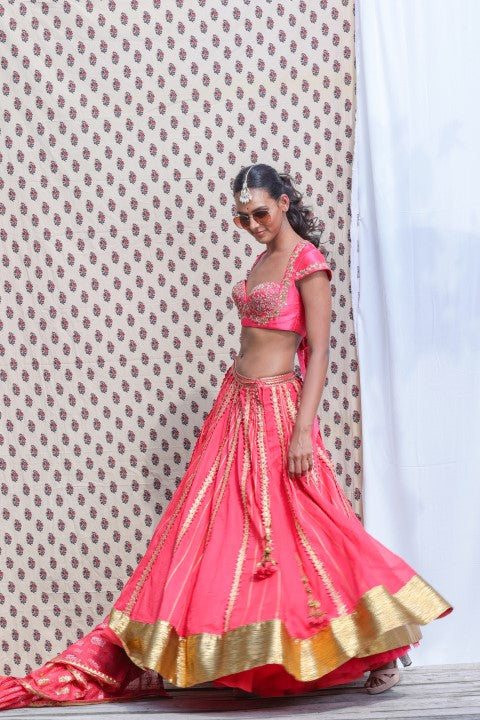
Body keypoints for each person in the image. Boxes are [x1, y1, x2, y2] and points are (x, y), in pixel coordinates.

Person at [0, 164, 451, 709]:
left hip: (278, 407)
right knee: (223, 531)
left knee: (309, 525)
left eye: (260, 212)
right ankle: (214, 651)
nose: (253, 225)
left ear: (284, 202)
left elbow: (322, 351)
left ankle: (382, 646)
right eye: (242, 218)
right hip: (236, 405)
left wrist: (304, 429)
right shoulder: (263, 260)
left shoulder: (308, 262)